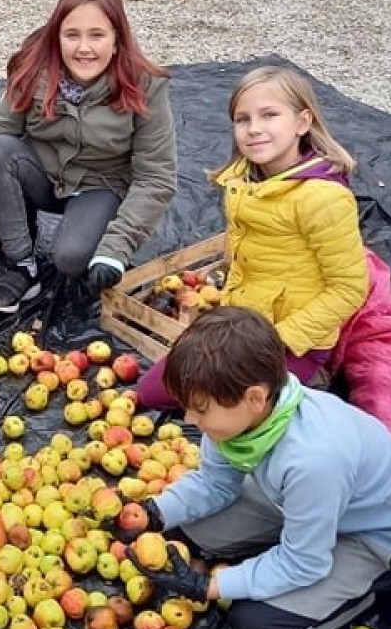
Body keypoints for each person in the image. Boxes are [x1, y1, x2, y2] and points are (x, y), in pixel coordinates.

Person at [128, 307, 391, 629]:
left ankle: (376, 584)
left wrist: (210, 585)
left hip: (374, 535)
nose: (190, 419)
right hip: (300, 503)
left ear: (255, 398)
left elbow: (304, 563)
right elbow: (214, 483)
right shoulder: (243, 419)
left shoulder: (313, 460)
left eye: (200, 409)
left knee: (256, 626)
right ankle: (294, 538)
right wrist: (153, 512)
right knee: (182, 533)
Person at [137, 64, 369, 410]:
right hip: (241, 321)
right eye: (242, 119)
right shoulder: (240, 180)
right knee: (153, 392)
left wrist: (280, 338)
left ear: (302, 123)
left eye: (269, 115)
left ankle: (306, 377)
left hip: (290, 337)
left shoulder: (323, 198)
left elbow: (349, 288)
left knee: (231, 410)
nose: (254, 128)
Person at [0, 0, 177, 316]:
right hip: (42, 176)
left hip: (100, 185)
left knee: (71, 260)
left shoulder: (145, 85)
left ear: (117, 40)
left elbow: (156, 178)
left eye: (97, 35)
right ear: (57, 37)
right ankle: (23, 267)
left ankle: (89, 237)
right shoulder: (33, 71)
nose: (84, 48)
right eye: (72, 35)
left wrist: (115, 249)